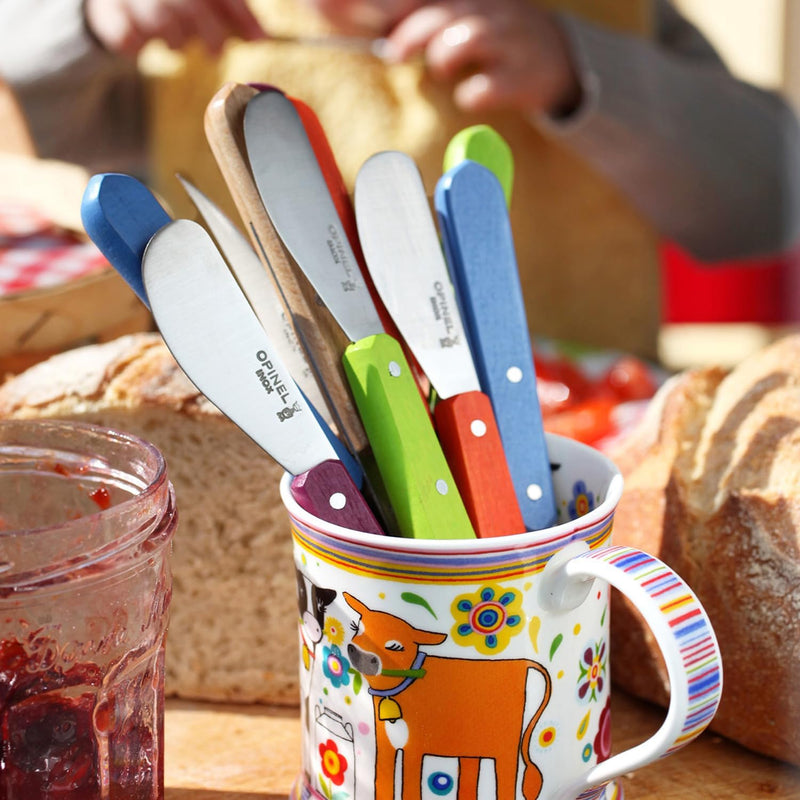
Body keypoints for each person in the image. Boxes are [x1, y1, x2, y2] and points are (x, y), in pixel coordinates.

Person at [3, 0, 799, 357]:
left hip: (569, 448)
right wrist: (87, 23)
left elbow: (768, 201)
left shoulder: (604, 14)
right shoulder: (185, 25)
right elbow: (27, 150)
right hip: (266, 439)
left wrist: (581, 75)